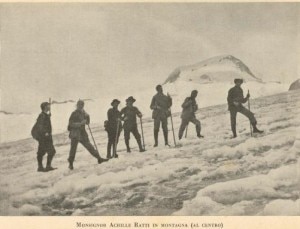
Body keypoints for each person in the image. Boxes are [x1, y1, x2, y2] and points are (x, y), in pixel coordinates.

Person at [67, 100, 108, 170]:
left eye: (82, 105)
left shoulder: (84, 113)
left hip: (82, 133)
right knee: (73, 150)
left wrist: (88, 117)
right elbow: (70, 124)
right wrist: (80, 123)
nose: (81, 106)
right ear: (77, 105)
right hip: (75, 134)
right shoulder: (74, 113)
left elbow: (87, 123)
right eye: (80, 105)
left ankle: (99, 158)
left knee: (89, 146)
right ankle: (70, 164)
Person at [34, 102, 56, 172]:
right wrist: (45, 133)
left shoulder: (44, 115)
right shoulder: (42, 116)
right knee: (51, 151)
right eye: (48, 105)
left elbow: (44, 123)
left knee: (42, 152)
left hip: (45, 137)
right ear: (45, 107)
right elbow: (40, 125)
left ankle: (43, 167)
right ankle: (44, 167)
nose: (49, 106)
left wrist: (48, 116)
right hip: (45, 137)